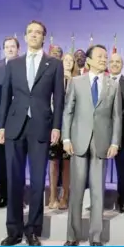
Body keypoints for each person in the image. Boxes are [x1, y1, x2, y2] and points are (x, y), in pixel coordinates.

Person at [0, 20, 64, 246]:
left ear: (44, 38)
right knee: (14, 180)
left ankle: (33, 230)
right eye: (30, 32)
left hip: (41, 126)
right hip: (15, 126)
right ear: (24, 37)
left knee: (37, 181)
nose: (34, 35)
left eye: (38, 33)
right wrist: (2, 126)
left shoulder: (54, 64)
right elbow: (5, 96)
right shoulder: (13, 64)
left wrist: (56, 126)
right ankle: (13, 230)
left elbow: (59, 98)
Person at [62, 44, 121, 246]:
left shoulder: (113, 84)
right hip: (78, 141)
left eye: (106, 56)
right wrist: (66, 138)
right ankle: (72, 236)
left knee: (98, 192)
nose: (104, 59)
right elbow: (68, 111)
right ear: (88, 60)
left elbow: (117, 116)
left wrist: (115, 142)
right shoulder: (76, 82)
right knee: (76, 192)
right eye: (100, 56)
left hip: (102, 143)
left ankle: (95, 237)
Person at [0, 36, 19, 208]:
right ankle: (3, 195)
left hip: (19, 119)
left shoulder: (23, 66)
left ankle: (17, 197)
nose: (9, 49)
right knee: (2, 160)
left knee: (17, 160)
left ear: (18, 48)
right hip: (1, 121)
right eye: (7, 46)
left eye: (12, 46)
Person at [48, 53, 77, 210]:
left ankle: (65, 196)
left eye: (70, 61)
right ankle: (52, 196)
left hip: (70, 128)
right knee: (53, 162)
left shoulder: (77, 81)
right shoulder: (53, 79)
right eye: (65, 60)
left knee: (67, 163)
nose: (67, 63)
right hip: (53, 125)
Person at [108, 53, 124, 212]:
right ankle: (96, 199)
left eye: (118, 61)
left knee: (121, 168)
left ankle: (123, 198)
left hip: (122, 133)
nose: (114, 64)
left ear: (122, 64)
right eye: (112, 61)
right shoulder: (101, 80)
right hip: (102, 131)